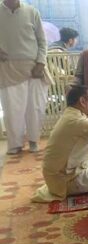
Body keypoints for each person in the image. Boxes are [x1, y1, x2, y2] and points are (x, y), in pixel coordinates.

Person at [32, 86, 88, 202]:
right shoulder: (76, 121)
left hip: (57, 177)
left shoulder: (72, 115)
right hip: (67, 181)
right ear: (82, 101)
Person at [0, 0, 50, 155]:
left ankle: (34, 140)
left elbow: (42, 41)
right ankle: (15, 144)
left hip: (34, 67)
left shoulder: (32, 11)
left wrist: (41, 62)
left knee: (35, 107)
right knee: (12, 109)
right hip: (8, 67)